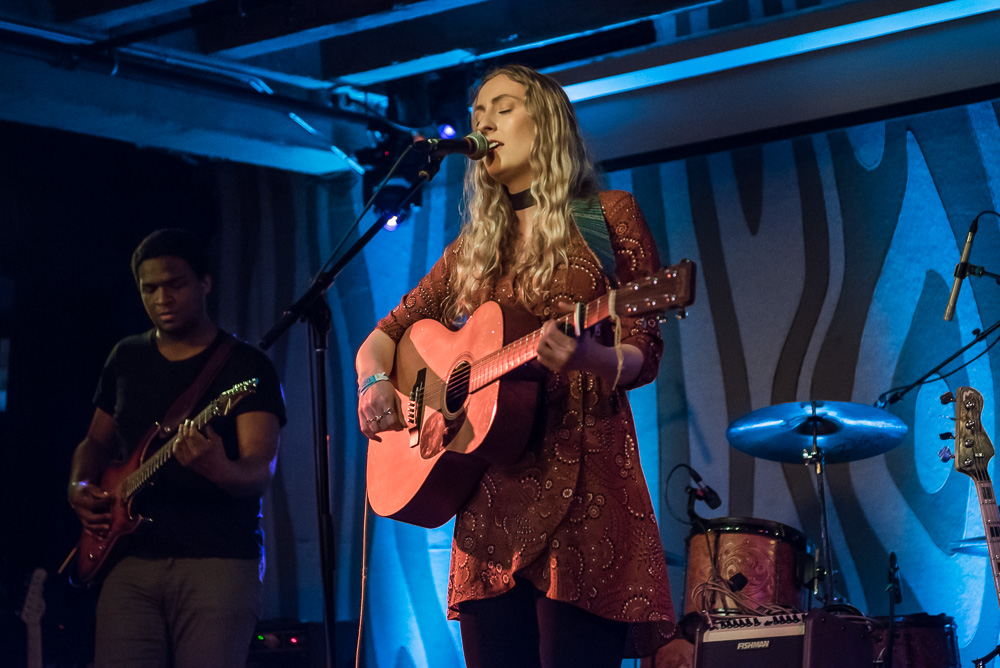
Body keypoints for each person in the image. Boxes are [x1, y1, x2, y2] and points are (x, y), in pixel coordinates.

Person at [356, 64, 675, 667]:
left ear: (546, 122)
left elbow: (644, 351)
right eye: (477, 113)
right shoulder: (473, 249)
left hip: (584, 493)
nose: (482, 123)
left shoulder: (607, 216)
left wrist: (591, 356)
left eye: (501, 107)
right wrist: (374, 383)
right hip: (485, 501)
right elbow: (383, 337)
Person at [67, 228, 286, 668]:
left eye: (175, 284)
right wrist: (79, 486)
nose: (162, 298)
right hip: (129, 561)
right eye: (149, 289)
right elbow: (95, 440)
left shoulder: (246, 366)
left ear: (205, 282)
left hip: (217, 560)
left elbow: (259, 470)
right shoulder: (125, 357)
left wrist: (219, 469)